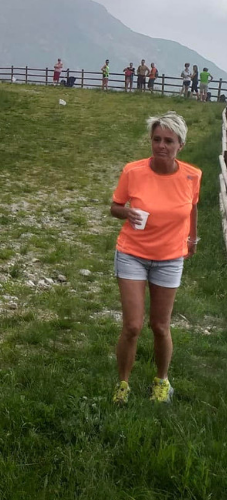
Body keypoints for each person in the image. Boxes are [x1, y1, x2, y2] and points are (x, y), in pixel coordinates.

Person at [110, 111, 202, 405]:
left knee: (160, 326)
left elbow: (192, 208)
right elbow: (115, 207)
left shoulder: (192, 175)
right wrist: (127, 212)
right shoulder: (133, 171)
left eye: (169, 141)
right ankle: (123, 384)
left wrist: (192, 239)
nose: (161, 145)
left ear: (180, 145)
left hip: (170, 258)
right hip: (132, 254)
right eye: (157, 139)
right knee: (132, 326)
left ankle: (161, 382)